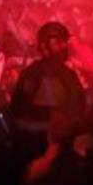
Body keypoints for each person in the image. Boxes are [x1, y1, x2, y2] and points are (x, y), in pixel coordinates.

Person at [9, 21, 87, 161]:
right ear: (48, 45)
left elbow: (81, 109)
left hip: (50, 148)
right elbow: (17, 111)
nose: (65, 46)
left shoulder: (67, 75)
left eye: (64, 42)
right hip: (45, 149)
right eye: (60, 42)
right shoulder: (38, 75)